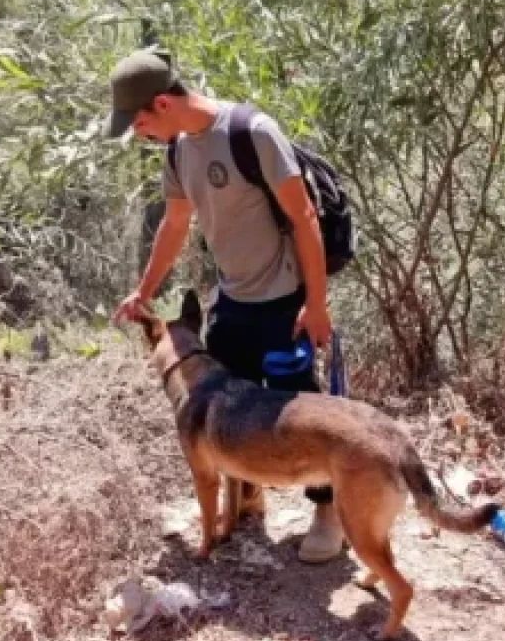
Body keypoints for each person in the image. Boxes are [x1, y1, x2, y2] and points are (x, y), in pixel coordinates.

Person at [105, 48, 344, 564]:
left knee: (301, 411)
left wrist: (317, 304)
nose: (141, 134)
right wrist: (144, 292)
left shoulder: (251, 133)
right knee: (229, 407)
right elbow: (174, 225)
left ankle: (328, 510)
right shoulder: (176, 152)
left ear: (163, 104)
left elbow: (304, 219)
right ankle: (249, 495)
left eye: (141, 122)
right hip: (231, 298)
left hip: (285, 299)